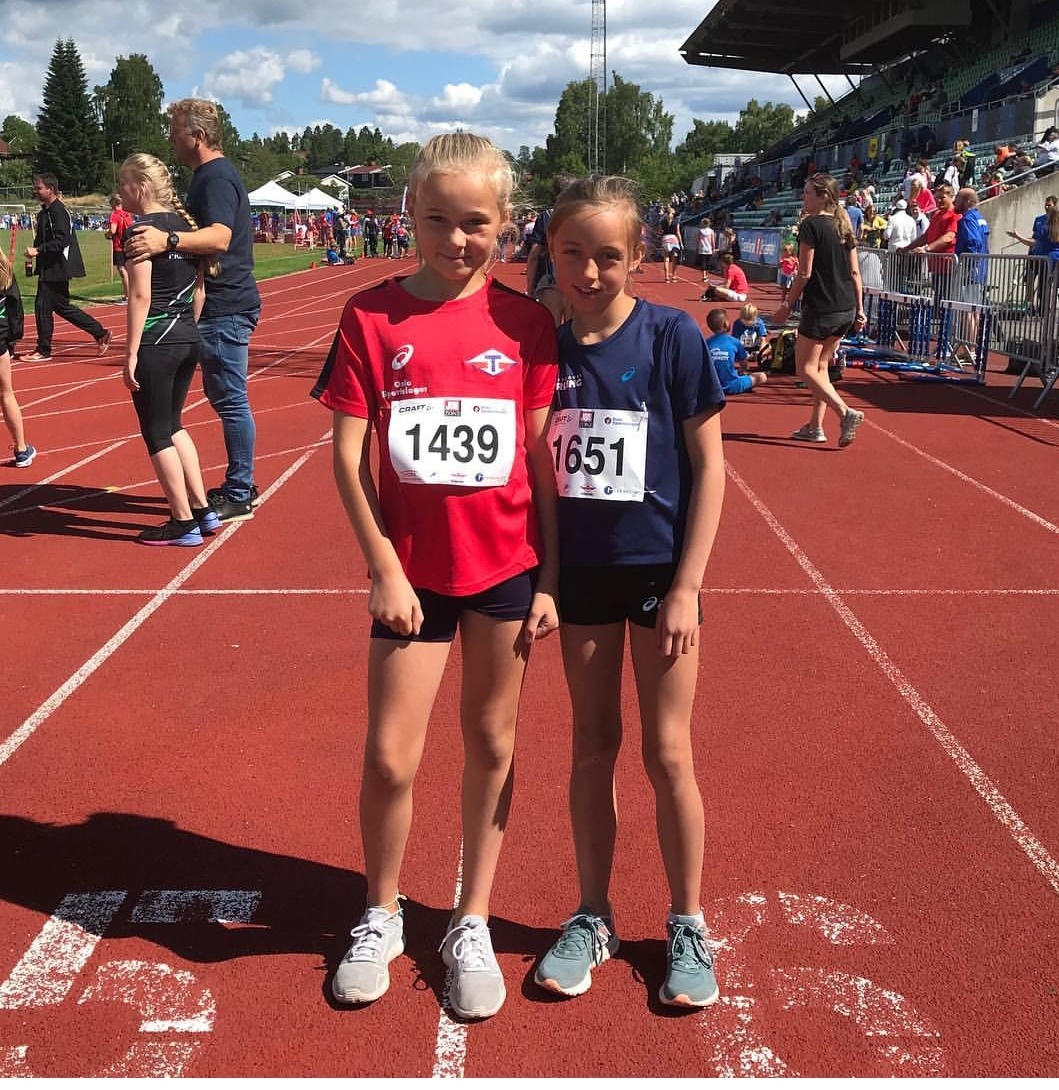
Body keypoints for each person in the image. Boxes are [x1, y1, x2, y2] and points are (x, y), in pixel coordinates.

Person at [311, 132, 560, 1021]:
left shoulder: (525, 324)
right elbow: (348, 456)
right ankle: (380, 911)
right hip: (412, 575)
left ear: (504, 222)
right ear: (409, 216)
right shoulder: (370, 317)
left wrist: (550, 578)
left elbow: (540, 462)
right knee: (390, 756)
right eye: (438, 220)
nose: (457, 240)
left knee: (491, 744)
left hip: (505, 569)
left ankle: (471, 918)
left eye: (476, 223)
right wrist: (382, 565)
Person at [533, 174, 725, 1009]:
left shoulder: (670, 335)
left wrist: (687, 585)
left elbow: (710, 468)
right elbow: (537, 481)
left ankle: (687, 920)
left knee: (667, 751)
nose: (588, 271)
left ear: (637, 256)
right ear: (550, 253)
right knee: (590, 744)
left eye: (607, 256)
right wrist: (546, 580)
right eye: (572, 253)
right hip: (581, 576)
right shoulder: (544, 350)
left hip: (656, 575)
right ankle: (592, 913)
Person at [125, 98, 262, 524]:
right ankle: (230, 489)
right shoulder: (207, 177)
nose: (170, 138)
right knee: (221, 400)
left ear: (198, 136)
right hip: (214, 302)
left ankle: (239, 491)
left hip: (224, 303)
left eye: (176, 131)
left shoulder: (215, 178)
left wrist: (166, 241)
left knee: (230, 400)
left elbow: (219, 237)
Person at [118, 154, 219, 547]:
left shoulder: (141, 232)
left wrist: (130, 353)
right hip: (187, 337)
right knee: (175, 425)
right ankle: (202, 509)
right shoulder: (185, 228)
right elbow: (199, 291)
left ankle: (182, 521)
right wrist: (186, 328)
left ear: (141, 187)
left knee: (157, 432)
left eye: (124, 184)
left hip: (156, 341)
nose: (119, 192)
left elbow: (140, 295)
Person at [771, 172, 867, 447]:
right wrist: (860, 309)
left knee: (805, 369)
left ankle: (845, 412)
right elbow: (855, 273)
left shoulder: (811, 225)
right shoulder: (843, 226)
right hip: (845, 307)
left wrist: (787, 305)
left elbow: (804, 273)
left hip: (822, 307)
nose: (803, 197)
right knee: (822, 367)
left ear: (823, 196)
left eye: (807, 193)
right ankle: (815, 426)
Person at [20, 173, 112, 363]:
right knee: (61, 307)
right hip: (49, 266)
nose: (35, 191)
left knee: (42, 307)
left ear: (50, 189)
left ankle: (43, 350)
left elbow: (62, 240)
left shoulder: (58, 211)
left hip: (57, 267)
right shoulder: (45, 212)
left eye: (39, 188)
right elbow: (44, 239)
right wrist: (32, 258)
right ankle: (100, 333)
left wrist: (38, 250)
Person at [0, 250, 34, 467]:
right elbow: (15, 310)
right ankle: (21, 449)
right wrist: (12, 340)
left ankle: (22, 449)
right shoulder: (5, 271)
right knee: (6, 393)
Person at [952, 187, 990, 361]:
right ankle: (971, 348)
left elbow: (973, 242)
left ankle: (970, 349)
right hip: (980, 269)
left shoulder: (967, 219)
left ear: (967, 201)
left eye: (958, 198)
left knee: (968, 310)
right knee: (973, 310)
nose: (955, 202)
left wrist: (967, 265)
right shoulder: (979, 217)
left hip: (972, 270)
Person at [707, 307, 767, 393]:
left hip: (712, 387)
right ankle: (742, 386)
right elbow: (744, 365)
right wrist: (742, 372)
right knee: (762, 376)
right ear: (725, 323)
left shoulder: (706, 343)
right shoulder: (735, 342)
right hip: (732, 385)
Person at [104, 194, 134, 303]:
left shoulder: (114, 215)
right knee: (129, 269)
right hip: (128, 244)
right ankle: (131, 294)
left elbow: (113, 230)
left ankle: (127, 296)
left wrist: (107, 235)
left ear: (113, 203)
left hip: (119, 246)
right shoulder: (127, 214)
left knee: (122, 270)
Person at [660, 207, 681, 283]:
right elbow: (678, 232)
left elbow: (660, 231)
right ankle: (674, 275)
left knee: (666, 259)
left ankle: (666, 277)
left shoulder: (662, 221)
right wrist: (681, 242)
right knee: (674, 258)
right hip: (673, 239)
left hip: (665, 239)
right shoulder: (676, 221)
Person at [696, 217, 715, 283]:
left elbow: (698, 240)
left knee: (703, 262)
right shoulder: (711, 231)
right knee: (707, 262)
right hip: (709, 249)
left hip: (702, 248)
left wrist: (697, 248)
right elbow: (713, 241)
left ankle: (704, 276)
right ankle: (706, 275)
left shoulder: (700, 231)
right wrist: (713, 248)